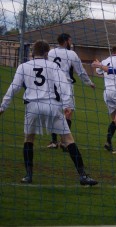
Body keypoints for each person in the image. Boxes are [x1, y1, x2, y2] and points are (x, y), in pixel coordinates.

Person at [0, 40, 97, 185]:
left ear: (32, 52)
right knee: (68, 140)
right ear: (46, 53)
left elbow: (13, 88)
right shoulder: (53, 66)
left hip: (32, 107)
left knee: (29, 139)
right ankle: (83, 175)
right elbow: (64, 85)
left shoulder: (23, 66)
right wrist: (67, 104)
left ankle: (28, 175)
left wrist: (3, 106)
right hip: (52, 105)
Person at [47, 33, 95, 149]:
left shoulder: (51, 52)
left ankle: (53, 141)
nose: (71, 43)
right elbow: (80, 71)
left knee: (54, 111)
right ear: (66, 41)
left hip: (52, 85)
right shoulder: (71, 53)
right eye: (70, 40)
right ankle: (65, 142)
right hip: (65, 85)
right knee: (68, 112)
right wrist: (89, 82)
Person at [95, 44, 116, 152]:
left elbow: (98, 71)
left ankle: (110, 142)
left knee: (115, 119)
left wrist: (100, 64)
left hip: (107, 91)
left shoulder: (105, 60)